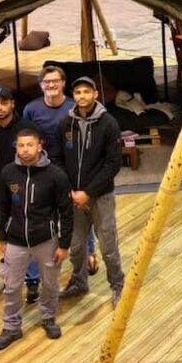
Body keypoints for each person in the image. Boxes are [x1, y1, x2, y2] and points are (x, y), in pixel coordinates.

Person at [0, 130, 73, 351]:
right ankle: (11, 327)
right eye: (20, 146)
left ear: (39, 146)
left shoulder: (56, 175)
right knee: (11, 285)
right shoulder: (8, 173)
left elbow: (66, 212)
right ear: (15, 148)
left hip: (46, 240)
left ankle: (48, 318)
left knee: (50, 283)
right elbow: (2, 207)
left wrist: (64, 245)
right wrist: (2, 237)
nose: (25, 150)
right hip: (15, 240)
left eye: (29, 145)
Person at [55, 76, 125, 306]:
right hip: (73, 198)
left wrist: (89, 192)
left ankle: (117, 285)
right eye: (77, 92)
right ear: (72, 96)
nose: (82, 96)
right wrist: (70, 191)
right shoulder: (65, 124)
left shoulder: (108, 123)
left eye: (87, 91)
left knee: (107, 246)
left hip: (101, 197)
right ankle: (78, 282)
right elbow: (57, 159)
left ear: (95, 94)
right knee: (75, 247)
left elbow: (113, 163)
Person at [24, 65, 98, 273]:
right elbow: (26, 139)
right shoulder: (31, 109)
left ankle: (90, 251)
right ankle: (45, 260)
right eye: (47, 82)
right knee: (46, 217)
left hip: (73, 169)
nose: (52, 85)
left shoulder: (74, 107)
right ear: (41, 85)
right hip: (43, 171)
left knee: (80, 213)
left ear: (63, 83)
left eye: (56, 81)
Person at [0, 86, 41, 302]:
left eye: (4, 103)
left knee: (29, 236)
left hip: (27, 191)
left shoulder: (27, 128)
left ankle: (32, 280)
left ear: (12, 103)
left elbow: (38, 161)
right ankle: (12, 278)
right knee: (6, 237)